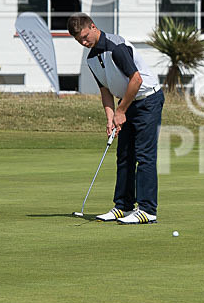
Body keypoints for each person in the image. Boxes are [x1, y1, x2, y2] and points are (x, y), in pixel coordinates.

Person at [67, 13, 164, 224]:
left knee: (144, 155)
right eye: (79, 41)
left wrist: (121, 111)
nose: (84, 42)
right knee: (124, 155)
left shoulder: (116, 46)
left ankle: (147, 210)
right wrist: (111, 118)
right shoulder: (91, 58)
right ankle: (123, 206)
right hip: (127, 102)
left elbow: (136, 80)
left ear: (93, 27)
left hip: (148, 100)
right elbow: (105, 91)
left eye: (85, 37)